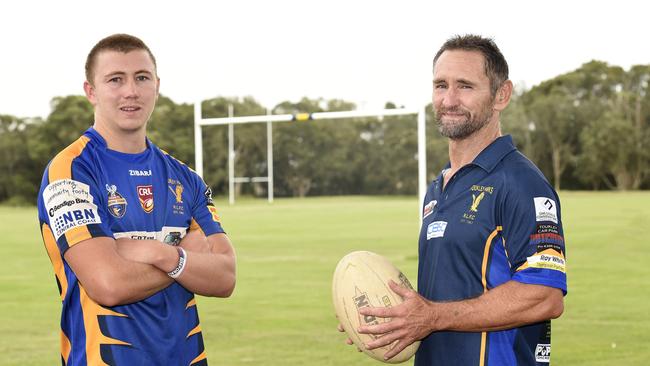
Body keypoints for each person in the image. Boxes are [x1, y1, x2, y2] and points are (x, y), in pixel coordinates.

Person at [343, 34, 568, 365]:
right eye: (440, 85)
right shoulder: (439, 187)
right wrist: (393, 317)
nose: (449, 99)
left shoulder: (520, 183)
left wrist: (433, 316)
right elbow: (446, 298)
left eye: (465, 86)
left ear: (501, 95)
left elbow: (544, 296)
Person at [37, 34, 236, 365]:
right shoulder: (71, 170)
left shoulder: (186, 179)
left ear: (156, 86)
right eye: (115, 79)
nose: (130, 90)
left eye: (141, 78)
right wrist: (186, 257)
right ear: (91, 91)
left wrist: (161, 254)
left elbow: (226, 276)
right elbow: (108, 284)